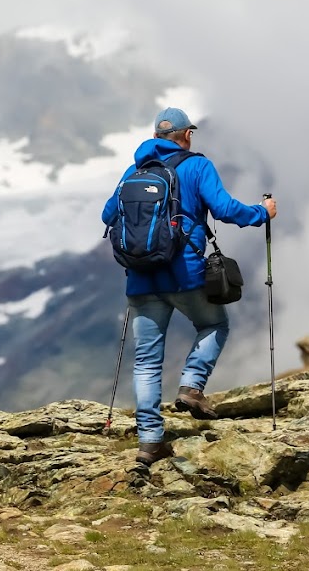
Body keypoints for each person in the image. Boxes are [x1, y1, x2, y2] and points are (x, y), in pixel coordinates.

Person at [101, 106, 277, 466]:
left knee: (147, 361)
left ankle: (150, 442)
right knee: (214, 324)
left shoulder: (135, 170)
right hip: (185, 274)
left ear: (155, 137)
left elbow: (108, 215)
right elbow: (226, 209)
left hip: (140, 279)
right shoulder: (197, 166)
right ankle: (192, 386)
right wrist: (263, 212)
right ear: (187, 134)